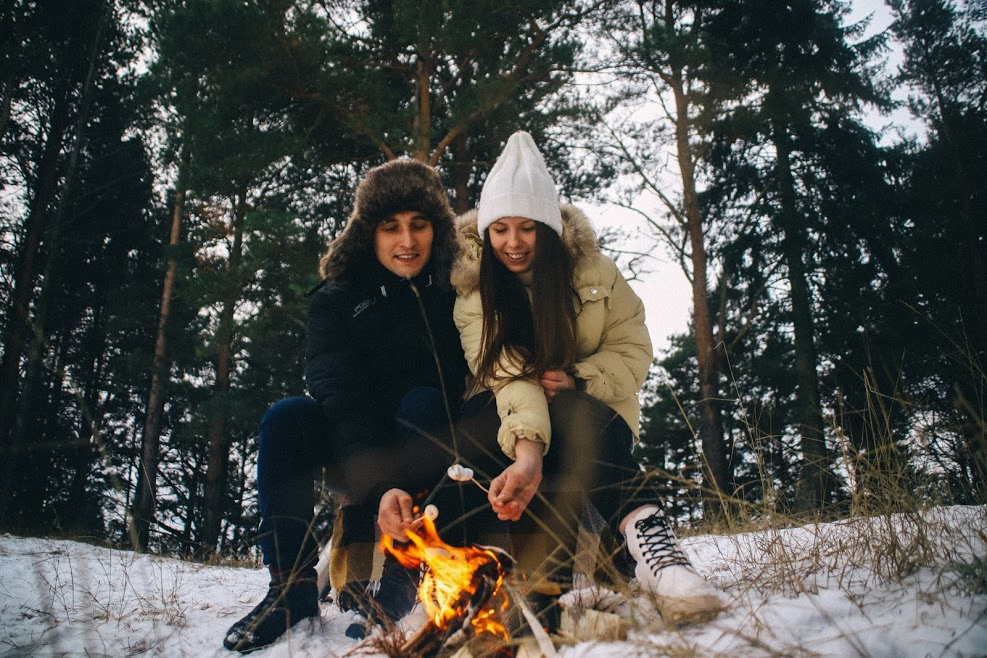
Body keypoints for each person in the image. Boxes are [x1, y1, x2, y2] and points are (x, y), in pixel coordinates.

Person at [450, 131, 725, 624]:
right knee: (489, 416)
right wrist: (530, 448)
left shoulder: (594, 272)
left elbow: (633, 350)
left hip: (593, 425)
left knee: (572, 408)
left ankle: (659, 553)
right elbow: (506, 376)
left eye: (528, 228)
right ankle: (544, 580)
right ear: (486, 233)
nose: (513, 243)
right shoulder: (473, 291)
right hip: (513, 429)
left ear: (550, 228)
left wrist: (581, 378)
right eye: (501, 229)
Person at [223, 159, 472, 652]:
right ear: (368, 233)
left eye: (419, 225)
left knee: (425, 402)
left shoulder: (455, 292)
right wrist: (377, 483)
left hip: (432, 446)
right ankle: (289, 589)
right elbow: (338, 397)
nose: (407, 242)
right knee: (287, 417)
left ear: (436, 230)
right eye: (391, 227)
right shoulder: (336, 299)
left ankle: (401, 577)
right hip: (353, 447)